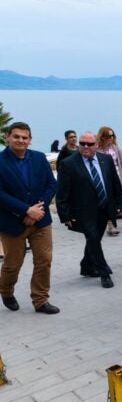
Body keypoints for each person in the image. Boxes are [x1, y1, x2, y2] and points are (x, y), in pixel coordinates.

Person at [0, 122, 59, 314]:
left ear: (30, 140)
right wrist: (26, 210)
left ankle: (40, 300)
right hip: (11, 222)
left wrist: (37, 210)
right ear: (7, 137)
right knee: (12, 264)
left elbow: (51, 185)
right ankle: (6, 291)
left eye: (24, 137)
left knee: (44, 260)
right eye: (16, 136)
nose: (20, 140)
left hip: (41, 220)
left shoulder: (39, 158)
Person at [56, 131, 122, 289]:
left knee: (94, 239)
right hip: (83, 211)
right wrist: (65, 214)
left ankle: (86, 266)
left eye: (89, 144)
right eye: (82, 143)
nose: (85, 147)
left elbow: (114, 182)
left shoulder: (106, 159)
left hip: (104, 208)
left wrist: (121, 203)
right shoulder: (68, 163)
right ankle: (104, 273)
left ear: (96, 145)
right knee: (93, 238)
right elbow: (62, 192)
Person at [96, 126, 122, 236]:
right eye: (109, 136)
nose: (111, 138)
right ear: (103, 137)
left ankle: (111, 222)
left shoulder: (115, 148)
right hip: (105, 178)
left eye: (113, 135)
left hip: (117, 177)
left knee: (116, 200)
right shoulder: (97, 150)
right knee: (108, 201)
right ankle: (111, 225)